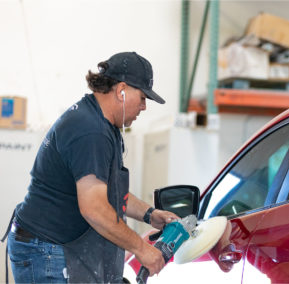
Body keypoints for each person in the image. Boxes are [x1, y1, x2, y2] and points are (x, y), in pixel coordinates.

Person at [3, 51, 179, 283]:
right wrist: (141, 248)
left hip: (54, 246)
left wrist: (150, 214)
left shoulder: (104, 125)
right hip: (45, 250)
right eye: (143, 97)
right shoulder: (90, 130)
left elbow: (111, 194)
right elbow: (94, 208)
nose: (144, 107)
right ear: (122, 90)